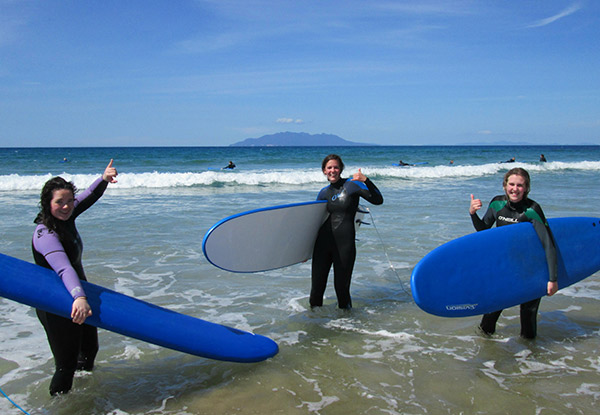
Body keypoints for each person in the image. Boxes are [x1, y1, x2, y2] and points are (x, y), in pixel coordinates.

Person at [32, 159, 118, 395]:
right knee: (66, 364)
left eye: (70, 200)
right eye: (60, 202)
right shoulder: (45, 233)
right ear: (47, 203)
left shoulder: (66, 216)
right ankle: (59, 405)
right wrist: (79, 297)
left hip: (79, 295)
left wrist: (104, 179)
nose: (67, 206)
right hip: (58, 304)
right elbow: (64, 268)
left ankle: (83, 398)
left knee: (90, 350)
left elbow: (89, 195)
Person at [469, 167, 558, 339]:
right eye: (511, 184)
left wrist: (552, 279)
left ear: (526, 188)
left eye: (520, 185)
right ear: (504, 185)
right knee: (489, 318)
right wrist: (473, 214)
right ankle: (485, 354)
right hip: (504, 269)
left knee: (528, 318)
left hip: (530, 270)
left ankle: (531, 359)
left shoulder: (532, 209)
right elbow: (483, 231)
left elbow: (548, 244)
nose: (514, 189)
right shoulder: (497, 204)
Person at [310, 154, 383, 309]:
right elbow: (315, 222)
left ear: (341, 169)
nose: (333, 170)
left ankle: (347, 326)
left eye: (336, 167)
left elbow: (378, 200)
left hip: (344, 246)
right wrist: (303, 251)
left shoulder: (352, 186)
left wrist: (366, 181)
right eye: (329, 167)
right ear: (324, 171)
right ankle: (314, 327)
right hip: (322, 246)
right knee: (316, 291)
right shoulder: (323, 193)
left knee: (342, 290)